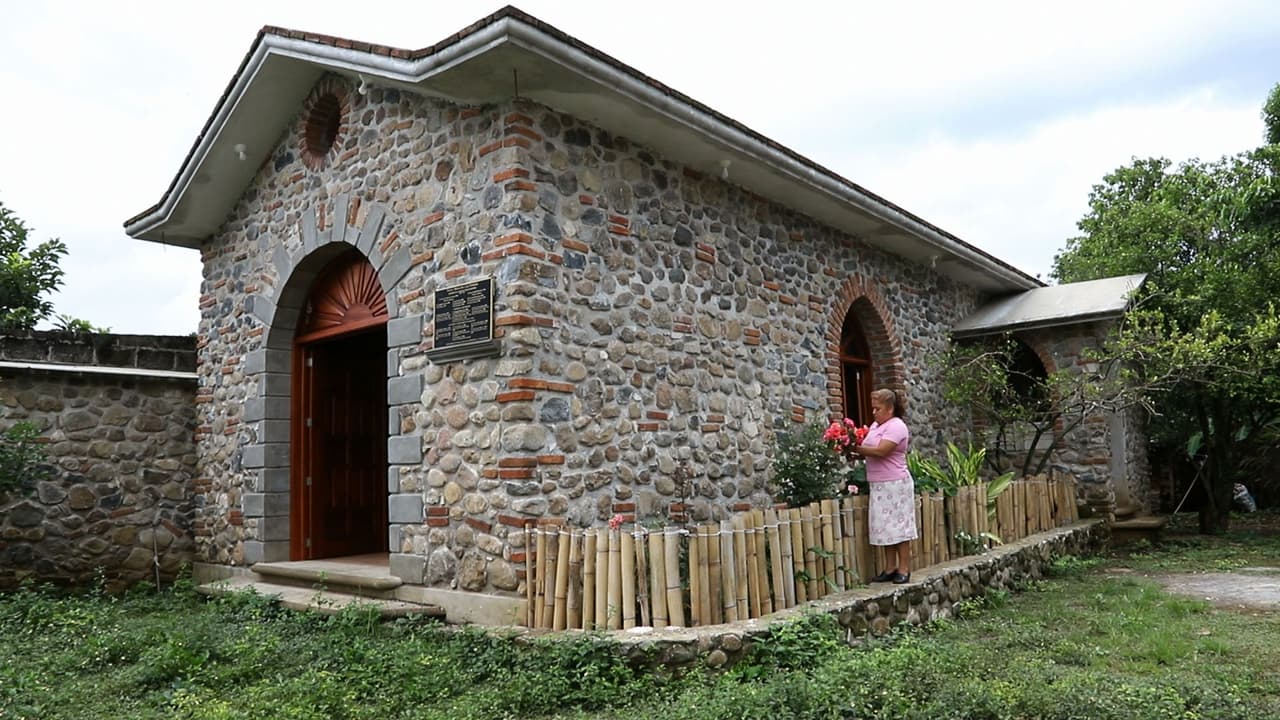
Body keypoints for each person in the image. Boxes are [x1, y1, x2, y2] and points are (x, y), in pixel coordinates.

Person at [854, 388, 917, 584]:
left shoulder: (897, 426)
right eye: (873, 409)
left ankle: (904, 568)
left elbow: (881, 451)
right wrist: (852, 450)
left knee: (899, 526)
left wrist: (855, 447)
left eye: (877, 409)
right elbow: (869, 449)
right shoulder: (875, 426)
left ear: (889, 408)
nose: (874, 413)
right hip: (879, 484)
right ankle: (890, 568)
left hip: (895, 483)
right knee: (884, 527)